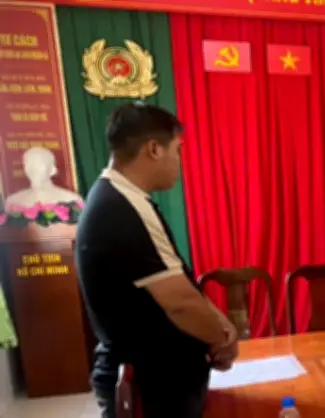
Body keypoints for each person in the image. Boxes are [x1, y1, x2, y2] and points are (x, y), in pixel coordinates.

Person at [76, 103, 238, 418]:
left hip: (157, 378)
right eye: (177, 150)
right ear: (154, 149)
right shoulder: (121, 207)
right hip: (150, 386)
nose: (179, 161)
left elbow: (178, 279)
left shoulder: (121, 197)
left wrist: (222, 324)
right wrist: (223, 340)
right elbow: (179, 302)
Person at [5, 146, 82, 207]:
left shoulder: (70, 199)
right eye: (29, 164)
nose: (34, 168)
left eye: (39, 164)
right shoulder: (13, 202)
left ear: (53, 169)